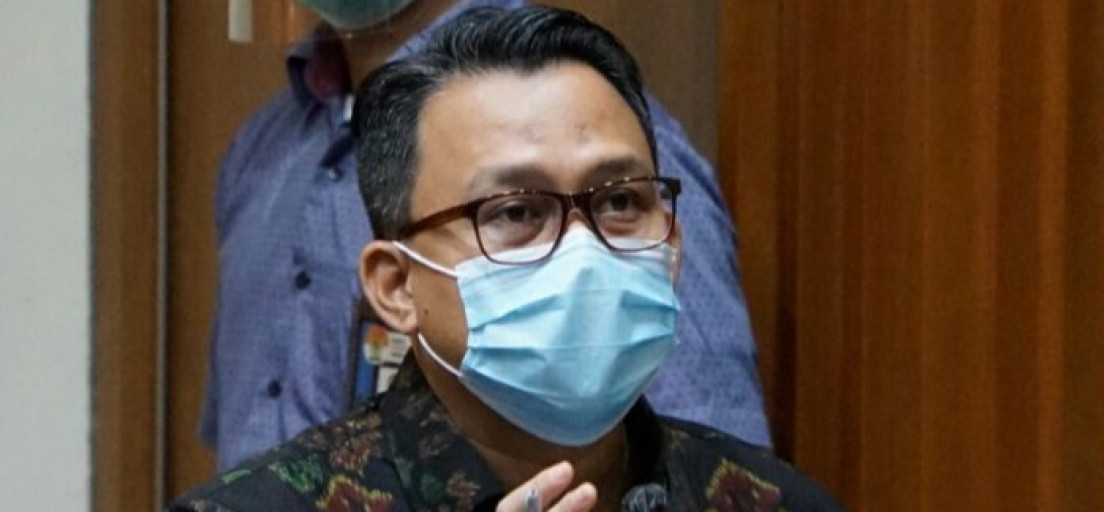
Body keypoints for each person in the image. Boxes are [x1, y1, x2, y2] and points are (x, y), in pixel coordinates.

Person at [114, 7, 910, 512]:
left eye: (620, 202)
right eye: (516, 211)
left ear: (672, 241)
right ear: (395, 285)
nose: (583, 250)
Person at [203, 0, 771, 472]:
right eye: (517, 210)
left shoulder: (604, 153)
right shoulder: (263, 152)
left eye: (516, 211)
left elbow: (714, 476)